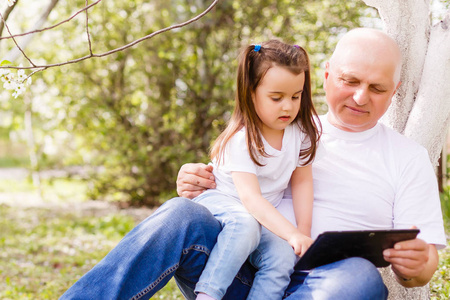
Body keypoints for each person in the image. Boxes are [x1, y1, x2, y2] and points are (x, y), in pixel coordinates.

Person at [60, 28, 446, 300]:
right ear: (326, 74)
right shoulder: (278, 120)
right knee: (179, 213)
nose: (361, 97)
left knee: (361, 277)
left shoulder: (407, 158)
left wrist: (419, 263)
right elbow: (230, 181)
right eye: (350, 80)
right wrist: (194, 180)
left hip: (324, 285)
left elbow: (425, 264)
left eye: (377, 88)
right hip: (237, 270)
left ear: (394, 92)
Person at [189, 40, 320, 300]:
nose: (288, 106)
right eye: (276, 97)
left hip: (258, 216)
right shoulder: (242, 139)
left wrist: (302, 232)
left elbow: (302, 182)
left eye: (296, 96)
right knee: (244, 225)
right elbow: (250, 198)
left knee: (283, 257)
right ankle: (208, 295)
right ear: (251, 93)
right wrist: (291, 232)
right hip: (223, 201)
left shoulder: (301, 134)